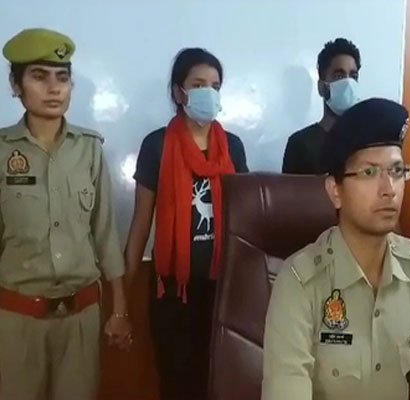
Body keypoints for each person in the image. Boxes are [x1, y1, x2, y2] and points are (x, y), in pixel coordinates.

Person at [262, 98, 410, 400]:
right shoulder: (300, 282)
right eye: (369, 173)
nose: (389, 189)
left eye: (397, 171)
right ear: (335, 191)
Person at [0, 28, 132, 400]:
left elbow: (105, 233)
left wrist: (120, 309)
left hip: (80, 319)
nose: (53, 88)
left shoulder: (88, 149)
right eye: (39, 76)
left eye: (62, 77)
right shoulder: (2, 151)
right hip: (16, 321)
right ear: (16, 85)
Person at [124, 47, 248, 400]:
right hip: (171, 292)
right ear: (179, 92)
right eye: (198, 84)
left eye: (215, 85)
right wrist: (123, 297)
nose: (208, 92)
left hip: (223, 290)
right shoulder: (157, 145)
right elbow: (140, 225)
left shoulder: (232, 147)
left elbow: (244, 221)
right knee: (177, 383)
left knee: (219, 382)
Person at [281, 37, 361, 174]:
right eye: (339, 76)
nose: (348, 83)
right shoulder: (300, 144)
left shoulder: (366, 142)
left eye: (353, 76)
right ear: (322, 87)